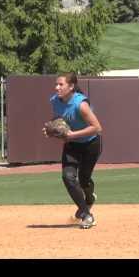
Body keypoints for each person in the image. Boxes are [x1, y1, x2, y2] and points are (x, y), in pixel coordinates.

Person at [42, 72, 103, 229]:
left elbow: (97, 128)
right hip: (72, 145)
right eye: (56, 84)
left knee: (84, 180)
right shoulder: (55, 101)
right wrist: (51, 129)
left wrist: (72, 135)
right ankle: (86, 214)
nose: (57, 87)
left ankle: (89, 199)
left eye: (61, 84)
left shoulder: (80, 104)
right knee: (68, 177)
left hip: (91, 144)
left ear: (71, 87)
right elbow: (59, 119)